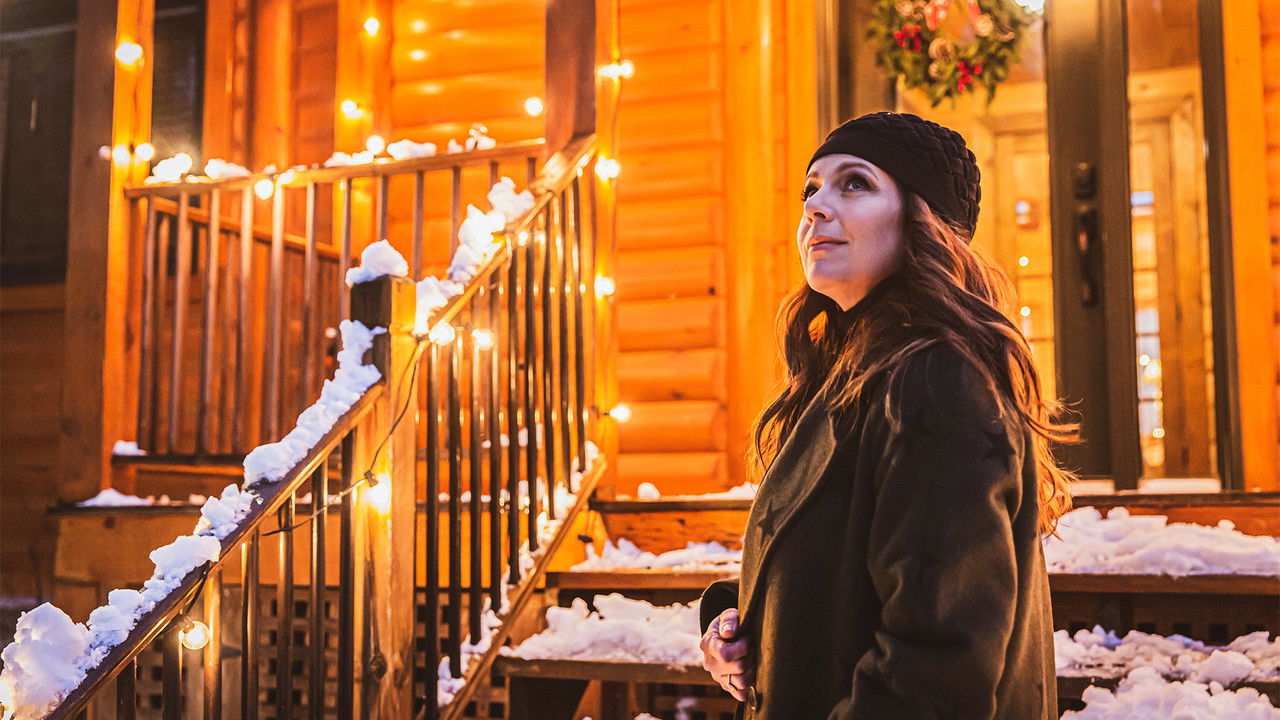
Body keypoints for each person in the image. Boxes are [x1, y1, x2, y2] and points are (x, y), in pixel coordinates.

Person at [697, 112, 1077, 719]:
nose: (817, 206)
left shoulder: (934, 380)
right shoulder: (852, 372)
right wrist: (738, 625)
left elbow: (937, 661)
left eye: (855, 183)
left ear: (924, 223)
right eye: (811, 188)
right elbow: (841, 574)